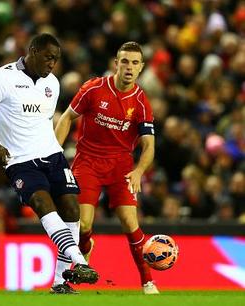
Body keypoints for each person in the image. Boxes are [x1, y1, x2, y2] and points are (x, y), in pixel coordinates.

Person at [0, 33, 98, 294]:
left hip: (53, 155)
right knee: (42, 204)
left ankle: (60, 282)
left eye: (56, 60)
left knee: (72, 210)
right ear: (33, 51)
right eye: (48, 57)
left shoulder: (53, 83)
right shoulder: (3, 77)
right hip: (20, 161)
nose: (52, 64)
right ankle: (80, 262)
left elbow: (43, 123)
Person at [55, 41, 159, 294]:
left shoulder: (141, 101)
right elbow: (67, 117)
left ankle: (147, 281)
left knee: (129, 222)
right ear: (116, 63)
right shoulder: (93, 88)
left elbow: (148, 145)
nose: (129, 67)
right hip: (88, 161)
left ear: (141, 68)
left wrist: (137, 172)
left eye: (135, 63)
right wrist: (55, 155)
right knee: (83, 224)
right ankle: (85, 247)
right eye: (125, 61)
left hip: (121, 166)